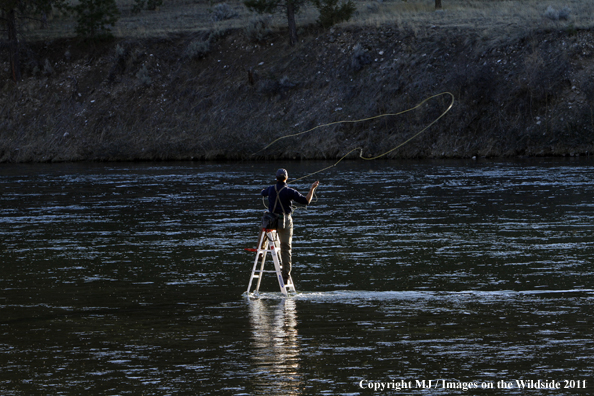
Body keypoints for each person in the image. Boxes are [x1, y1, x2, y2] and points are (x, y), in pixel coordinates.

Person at [261, 168, 319, 285]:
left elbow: (262, 192)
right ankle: (285, 277)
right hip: (285, 222)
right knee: (286, 249)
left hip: (271, 222)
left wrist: (266, 191)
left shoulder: (271, 189)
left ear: (276, 178)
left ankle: (261, 251)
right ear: (286, 178)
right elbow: (306, 201)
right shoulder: (290, 191)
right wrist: (312, 188)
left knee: (263, 227)